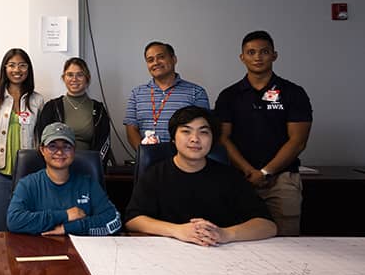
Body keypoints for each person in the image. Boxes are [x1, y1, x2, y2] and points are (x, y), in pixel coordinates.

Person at [124, 106, 277, 246]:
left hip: (220, 252)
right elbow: (133, 220)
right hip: (168, 252)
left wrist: (225, 234)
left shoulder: (230, 177)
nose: (195, 139)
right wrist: (177, 230)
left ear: (213, 140)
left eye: (203, 132)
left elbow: (268, 225)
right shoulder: (155, 174)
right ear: (173, 138)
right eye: (186, 131)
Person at [215, 30, 312, 236]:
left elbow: (298, 141)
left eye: (264, 51)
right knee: (240, 241)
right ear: (242, 57)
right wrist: (250, 171)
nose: (258, 57)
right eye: (251, 52)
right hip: (240, 179)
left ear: (274, 55)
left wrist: (265, 172)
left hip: (283, 180)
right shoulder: (228, 95)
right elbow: (222, 138)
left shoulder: (294, 93)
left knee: (287, 243)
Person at [7, 122, 121, 236]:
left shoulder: (88, 184)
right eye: (52, 146)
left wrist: (69, 228)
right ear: (42, 150)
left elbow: (114, 221)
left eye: (66, 146)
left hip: (80, 250)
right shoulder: (27, 184)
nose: (60, 152)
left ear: (74, 150)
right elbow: (14, 221)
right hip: (39, 249)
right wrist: (65, 215)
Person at [0, 48, 44, 231]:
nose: (17, 70)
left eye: (22, 65)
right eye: (12, 65)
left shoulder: (37, 100)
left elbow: (39, 140)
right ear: (5, 68)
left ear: (28, 69)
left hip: (27, 173)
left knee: (24, 226)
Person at [123, 41, 210, 149]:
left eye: (161, 57)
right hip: (147, 161)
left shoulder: (196, 92)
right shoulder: (136, 94)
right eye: (150, 60)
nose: (156, 63)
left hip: (183, 161)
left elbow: (201, 130)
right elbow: (131, 130)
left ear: (174, 59)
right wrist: (145, 155)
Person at [36, 58, 112, 167]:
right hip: (57, 166)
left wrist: (94, 167)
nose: (74, 79)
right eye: (70, 75)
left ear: (87, 78)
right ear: (64, 78)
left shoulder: (99, 110)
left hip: (88, 167)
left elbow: (104, 143)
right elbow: (43, 142)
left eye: (80, 75)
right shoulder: (52, 107)